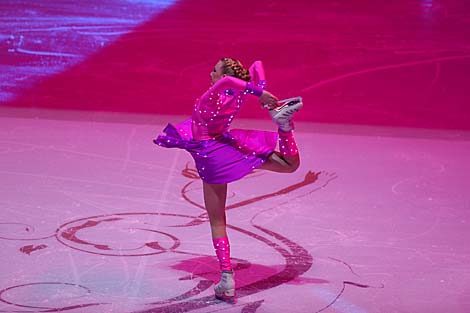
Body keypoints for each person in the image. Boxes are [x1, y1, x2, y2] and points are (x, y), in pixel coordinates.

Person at [154, 57, 303, 303]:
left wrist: (259, 90)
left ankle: (226, 278)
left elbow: (232, 78)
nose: (211, 74)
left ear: (222, 77)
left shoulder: (211, 95)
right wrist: (259, 88)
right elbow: (256, 65)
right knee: (290, 165)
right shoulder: (238, 96)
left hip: (212, 155)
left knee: (217, 220)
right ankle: (284, 127)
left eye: (214, 71)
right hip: (230, 146)